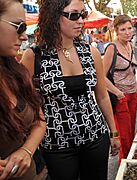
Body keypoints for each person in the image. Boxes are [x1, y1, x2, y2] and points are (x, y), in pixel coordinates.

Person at [20, 0, 120, 179]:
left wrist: (114, 133)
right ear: (53, 16)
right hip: (57, 146)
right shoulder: (34, 56)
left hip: (95, 137)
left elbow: (102, 96)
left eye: (83, 15)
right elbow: (22, 102)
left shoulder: (91, 52)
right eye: (74, 15)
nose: (81, 21)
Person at [0, 0, 46, 179]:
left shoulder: (16, 72)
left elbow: (39, 120)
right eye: (19, 26)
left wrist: (26, 150)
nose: (25, 36)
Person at [103, 15, 137, 163]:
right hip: (121, 97)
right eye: (123, 29)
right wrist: (118, 93)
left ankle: (129, 162)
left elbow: (132, 70)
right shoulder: (112, 48)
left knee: (131, 131)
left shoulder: (130, 45)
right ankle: (124, 164)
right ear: (116, 31)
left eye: (129, 28)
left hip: (133, 95)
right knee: (124, 136)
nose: (127, 32)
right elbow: (101, 76)